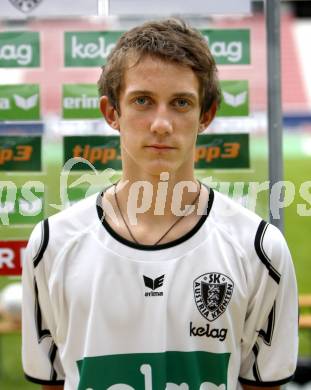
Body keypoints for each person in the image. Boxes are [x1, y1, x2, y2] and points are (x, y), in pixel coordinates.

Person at [22, 18, 298, 390]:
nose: (161, 124)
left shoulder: (258, 248)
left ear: (206, 115)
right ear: (111, 113)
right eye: (142, 101)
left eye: (181, 103)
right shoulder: (53, 244)